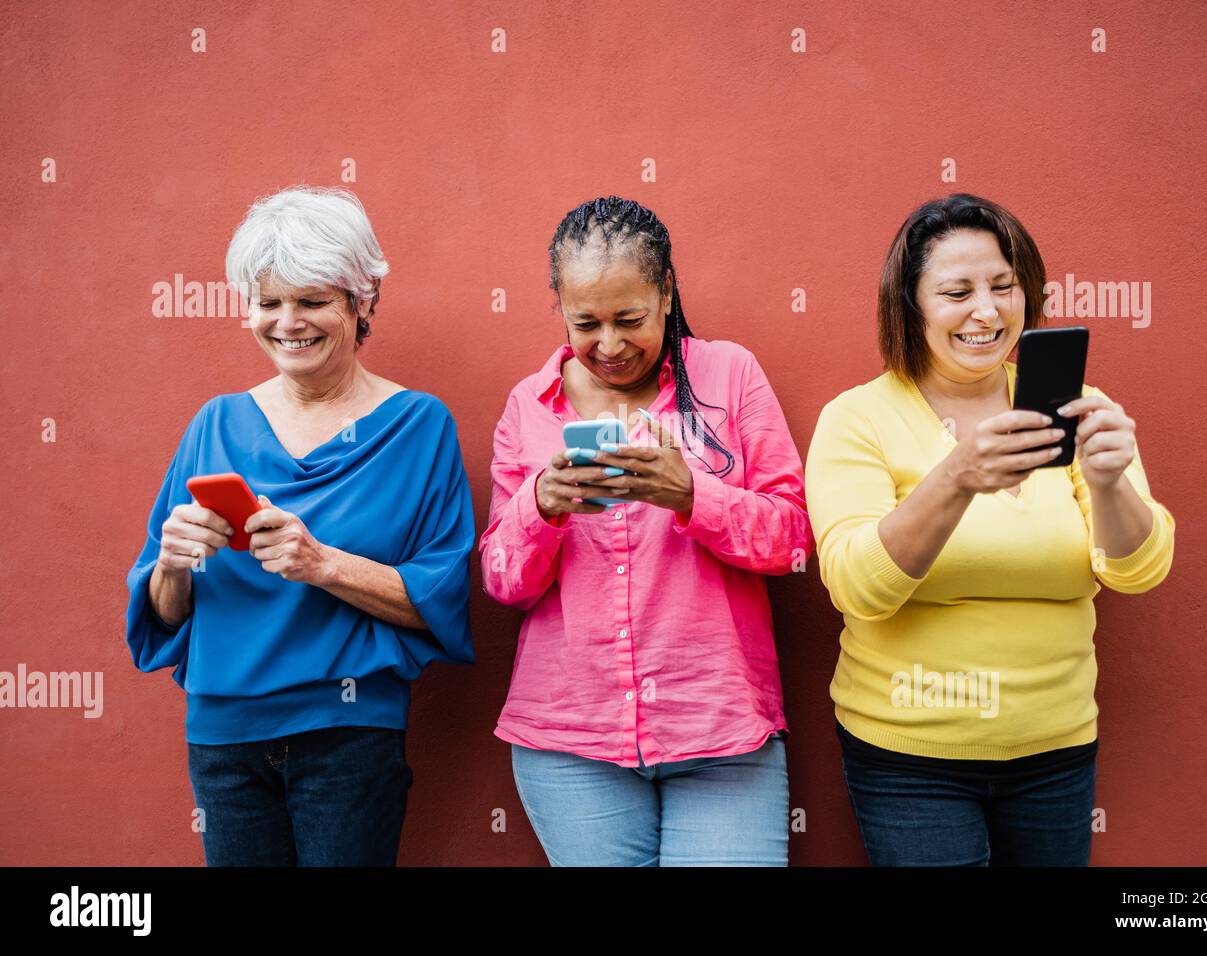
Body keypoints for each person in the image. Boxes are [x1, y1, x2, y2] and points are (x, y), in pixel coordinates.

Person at [805, 193, 1175, 866]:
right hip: (909, 755)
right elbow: (858, 585)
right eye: (956, 291)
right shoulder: (856, 418)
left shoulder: (1079, 407)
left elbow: (1137, 570)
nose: (987, 311)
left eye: (1004, 287)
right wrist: (957, 476)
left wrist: (1111, 481)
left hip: (1055, 749)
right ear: (910, 304)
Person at [124, 186, 475, 866]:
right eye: (269, 302)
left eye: (312, 301)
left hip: (349, 735)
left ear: (362, 301)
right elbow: (164, 620)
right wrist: (171, 564)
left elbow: (441, 601)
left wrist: (322, 564)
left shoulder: (419, 427)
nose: (288, 322)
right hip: (224, 739)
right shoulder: (214, 424)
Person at [479, 195, 812, 866]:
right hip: (570, 739)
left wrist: (693, 496)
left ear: (665, 293)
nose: (609, 345)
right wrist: (540, 506)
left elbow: (792, 542)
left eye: (629, 318)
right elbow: (502, 582)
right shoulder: (528, 405)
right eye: (586, 323)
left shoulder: (729, 375)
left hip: (720, 731)